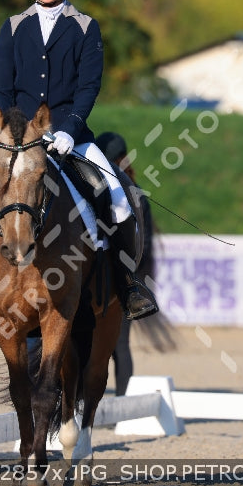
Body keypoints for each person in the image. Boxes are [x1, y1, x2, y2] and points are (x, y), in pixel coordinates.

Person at [0, 0, 159, 326]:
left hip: (69, 136)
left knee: (116, 198)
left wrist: (68, 130)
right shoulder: (12, 27)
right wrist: (14, 135)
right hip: (16, 141)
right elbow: (2, 87)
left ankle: (129, 285)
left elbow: (88, 87)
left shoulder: (84, 26)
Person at [96, 132, 157, 395]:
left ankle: (122, 404)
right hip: (100, 274)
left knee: (119, 344)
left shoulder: (135, 196)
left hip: (124, 274)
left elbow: (144, 245)